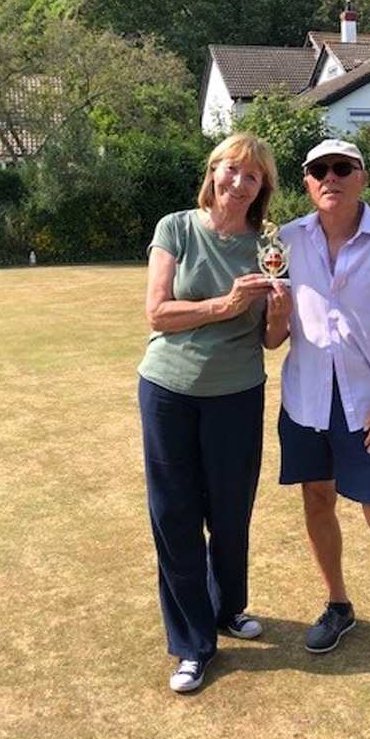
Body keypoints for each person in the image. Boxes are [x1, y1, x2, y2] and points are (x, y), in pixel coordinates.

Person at [264, 139, 370, 689]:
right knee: (316, 499)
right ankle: (338, 604)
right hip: (305, 400)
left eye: (343, 168)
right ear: (306, 183)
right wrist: (273, 315)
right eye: (319, 170)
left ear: (363, 177)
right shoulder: (286, 241)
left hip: (367, 407)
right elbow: (273, 337)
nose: (330, 177)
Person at [137, 133, 291, 693]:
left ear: (262, 189)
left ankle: (228, 609)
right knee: (175, 515)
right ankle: (192, 643)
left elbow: (273, 341)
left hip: (237, 393)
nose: (238, 183)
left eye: (252, 177)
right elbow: (157, 313)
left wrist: (280, 311)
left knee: (230, 514)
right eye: (231, 170)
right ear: (213, 171)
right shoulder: (175, 227)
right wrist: (223, 306)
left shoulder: (268, 247)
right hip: (168, 390)